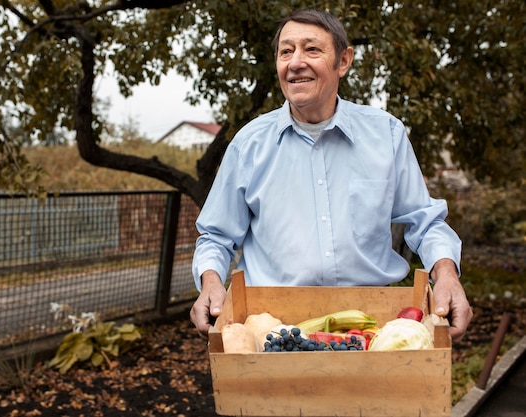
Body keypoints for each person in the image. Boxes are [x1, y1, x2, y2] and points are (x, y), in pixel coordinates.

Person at [190, 9, 472, 343]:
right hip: (273, 333)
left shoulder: (387, 135)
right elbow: (217, 236)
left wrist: (447, 276)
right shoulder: (248, 145)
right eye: (286, 51)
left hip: (371, 328)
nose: (295, 62)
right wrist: (210, 283)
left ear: (343, 61)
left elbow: (425, 223)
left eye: (311, 49)